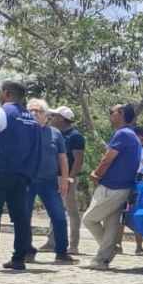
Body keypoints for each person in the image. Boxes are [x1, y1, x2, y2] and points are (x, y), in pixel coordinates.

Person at [82, 104, 141, 270]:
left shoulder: (122, 133)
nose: (110, 115)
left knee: (89, 219)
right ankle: (102, 260)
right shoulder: (132, 135)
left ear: (120, 113)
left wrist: (96, 174)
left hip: (112, 187)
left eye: (111, 112)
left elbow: (108, 158)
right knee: (111, 225)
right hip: (123, 187)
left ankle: (108, 251)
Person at [0, 81, 42, 271]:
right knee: (21, 217)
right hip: (23, 175)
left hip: (1, 171)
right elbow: (38, 149)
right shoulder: (33, 119)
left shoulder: (2, 112)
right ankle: (19, 259)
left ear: (6, 93)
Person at [24, 99, 73, 264]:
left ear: (46, 115)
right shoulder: (23, 131)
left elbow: (62, 157)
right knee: (23, 217)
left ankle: (61, 252)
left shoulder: (55, 133)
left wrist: (65, 179)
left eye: (38, 110)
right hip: (26, 181)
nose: (34, 113)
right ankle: (26, 250)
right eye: (30, 110)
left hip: (49, 182)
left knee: (59, 217)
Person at [42, 107, 85, 256]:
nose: (51, 118)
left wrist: (70, 178)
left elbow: (78, 160)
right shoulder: (54, 133)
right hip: (53, 176)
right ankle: (51, 241)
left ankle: (73, 245)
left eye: (54, 115)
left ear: (61, 118)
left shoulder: (75, 136)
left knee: (71, 211)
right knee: (54, 209)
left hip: (67, 177)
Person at [126, 126, 143, 256]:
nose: (141, 137)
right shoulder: (127, 148)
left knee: (136, 213)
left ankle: (139, 246)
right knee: (121, 214)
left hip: (140, 183)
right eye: (138, 135)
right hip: (125, 181)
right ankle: (117, 245)